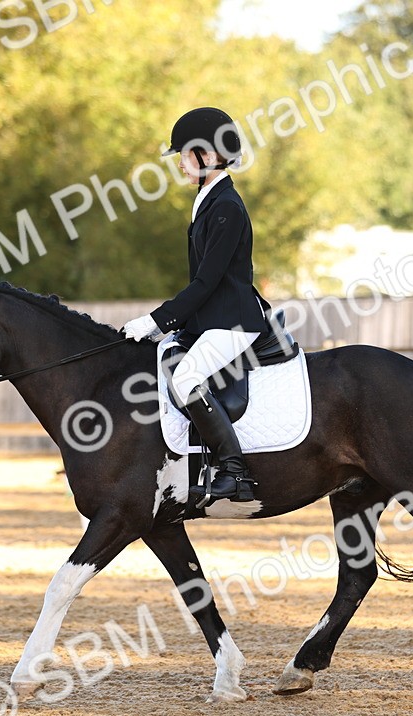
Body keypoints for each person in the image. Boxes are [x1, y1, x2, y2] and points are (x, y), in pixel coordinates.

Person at [123, 107, 269, 504]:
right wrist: (167, 327)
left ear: (206, 155)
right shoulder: (209, 201)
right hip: (213, 320)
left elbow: (207, 282)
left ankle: (233, 470)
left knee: (186, 378)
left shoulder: (226, 207)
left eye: (186, 155)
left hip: (233, 322)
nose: (182, 165)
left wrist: (157, 319)